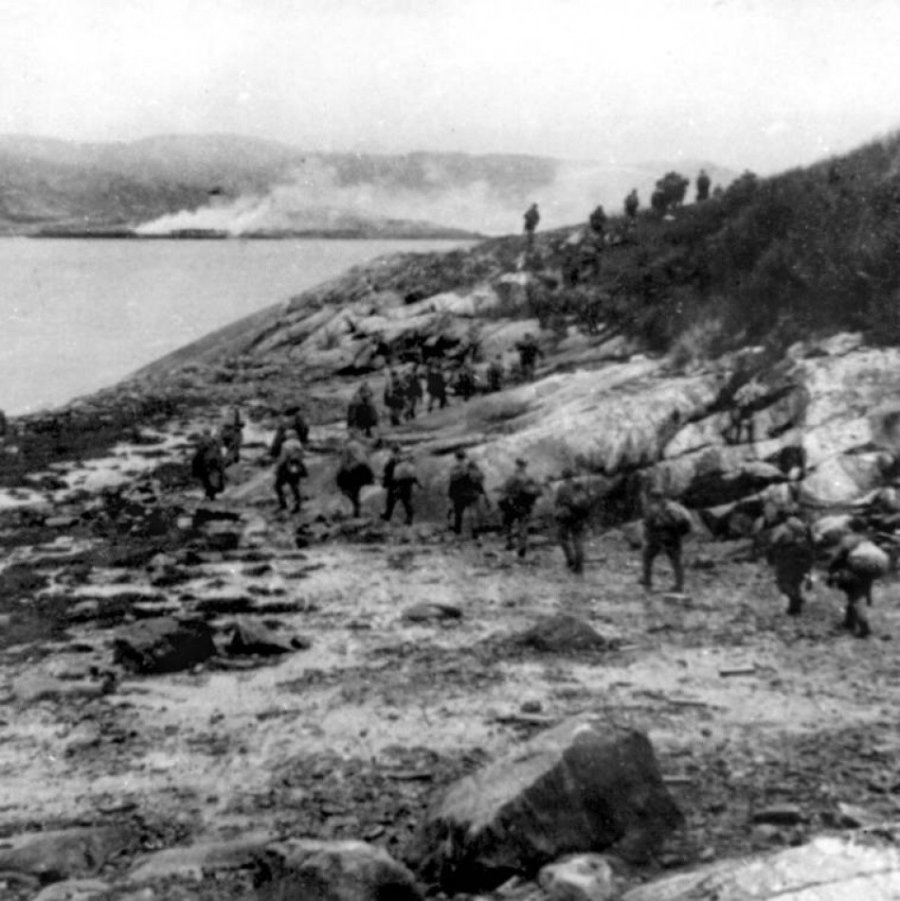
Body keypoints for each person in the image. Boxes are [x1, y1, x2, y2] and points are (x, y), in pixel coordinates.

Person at [826, 523, 889, 638]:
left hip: (855, 572)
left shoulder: (848, 539)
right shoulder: (865, 539)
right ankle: (849, 622)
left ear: (851, 528)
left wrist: (831, 570)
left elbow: (839, 556)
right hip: (868, 571)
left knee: (856, 598)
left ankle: (864, 628)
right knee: (856, 596)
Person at [640, 487, 692, 592]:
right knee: (676, 561)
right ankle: (679, 585)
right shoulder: (674, 506)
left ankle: (647, 581)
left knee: (647, 556)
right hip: (674, 537)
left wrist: (649, 529)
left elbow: (652, 523)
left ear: (653, 498)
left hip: (663, 537)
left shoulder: (660, 508)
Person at [766, 506, 814, 616]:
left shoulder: (782, 528)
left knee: (784, 582)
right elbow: (812, 543)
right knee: (796, 581)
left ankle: (795, 602)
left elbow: (772, 543)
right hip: (804, 555)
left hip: (788, 555)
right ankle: (795, 605)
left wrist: (770, 559)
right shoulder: (805, 527)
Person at [498, 458, 543, 557]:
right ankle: (522, 547)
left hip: (514, 505)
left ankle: (510, 542)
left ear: (517, 466)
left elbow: (505, 489)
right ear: (525, 467)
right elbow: (540, 492)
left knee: (507, 522)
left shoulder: (513, 477)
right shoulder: (531, 478)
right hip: (527, 506)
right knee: (523, 526)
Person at [555, 468, 592, 574]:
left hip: (566, 516)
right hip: (579, 517)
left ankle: (570, 559)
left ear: (563, 476)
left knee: (561, 537)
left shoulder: (561, 487)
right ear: (572, 475)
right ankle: (579, 567)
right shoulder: (580, 486)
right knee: (578, 540)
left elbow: (557, 502)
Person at [336, 431, 374, 518]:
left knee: (348, 490)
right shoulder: (360, 445)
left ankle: (355, 507)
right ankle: (358, 508)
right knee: (357, 490)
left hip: (354, 471)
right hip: (364, 469)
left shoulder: (347, 447)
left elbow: (344, 463)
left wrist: (339, 473)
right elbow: (366, 457)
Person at [382, 448, 420, 525]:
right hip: (406, 484)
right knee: (406, 501)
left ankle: (388, 515)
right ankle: (409, 518)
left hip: (395, 483)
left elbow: (387, 471)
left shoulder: (393, 460)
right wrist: (417, 482)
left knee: (391, 500)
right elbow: (411, 473)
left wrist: (385, 482)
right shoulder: (405, 460)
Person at [274, 428, 307, 513]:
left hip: (287, 466)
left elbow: (282, 458)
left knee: (278, 486)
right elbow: (303, 455)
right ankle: (298, 505)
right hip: (297, 465)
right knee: (295, 485)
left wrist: (277, 467)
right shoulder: (299, 444)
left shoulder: (285, 445)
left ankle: (283, 504)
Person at [191, 428, 226, 501]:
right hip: (213, 462)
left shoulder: (202, 441)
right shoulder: (214, 441)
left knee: (207, 479)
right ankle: (211, 494)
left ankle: (209, 494)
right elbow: (219, 451)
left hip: (207, 463)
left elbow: (199, 451)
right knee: (214, 479)